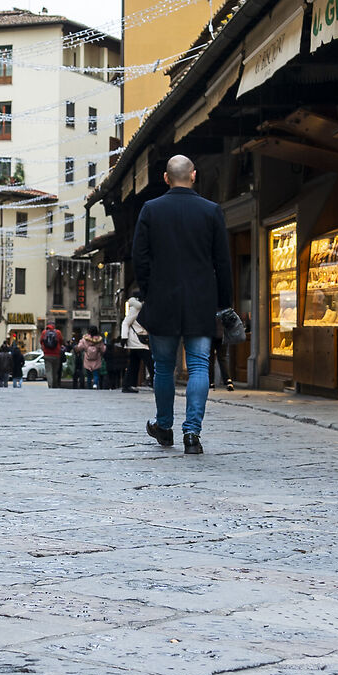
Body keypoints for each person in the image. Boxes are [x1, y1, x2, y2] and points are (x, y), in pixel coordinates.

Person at [130, 154, 233, 455]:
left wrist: (149, 290)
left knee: (163, 367)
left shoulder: (151, 210)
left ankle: (164, 427)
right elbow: (222, 262)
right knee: (200, 364)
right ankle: (192, 433)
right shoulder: (211, 211)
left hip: (162, 299)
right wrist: (223, 302)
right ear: (194, 175)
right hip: (201, 301)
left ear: (165, 178)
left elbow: (140, 256)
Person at [118, 297, 148, 393]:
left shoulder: (142, 307)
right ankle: (156, 383)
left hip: (137, 340)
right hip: (137, 340)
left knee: (134, 363)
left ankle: (129, 385)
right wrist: (124, 337)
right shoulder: (136, 308)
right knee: (150, 361)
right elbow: (126, 322)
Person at [40, 321, 64, 388]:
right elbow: (61, 341)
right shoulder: (58, 332)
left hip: (47, 354)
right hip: (56, 355)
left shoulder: (44, 332)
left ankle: (50, 385)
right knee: (55, 371)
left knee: (48, 371)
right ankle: (55, 385)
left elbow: (41, 341)